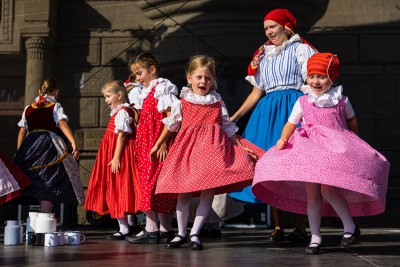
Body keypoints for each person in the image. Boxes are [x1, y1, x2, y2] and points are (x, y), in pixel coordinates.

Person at [252, 52, 390, 254]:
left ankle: (350, 227)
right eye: (312, 76)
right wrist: (283, 138)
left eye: (322, 76)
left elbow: (352, 121)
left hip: (333, 150)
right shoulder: (303, 101)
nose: (316, 81)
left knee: (328, 191)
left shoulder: (340, 100)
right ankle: (315, 237)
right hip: (310, 151)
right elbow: (290, 124)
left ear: (332, 78)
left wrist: (354, 142)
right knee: (313, 196)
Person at [154, 55, 264, 250]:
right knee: (183, 194)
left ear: (213, 80)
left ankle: (195, 233)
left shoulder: (217, 102)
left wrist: (241, 145)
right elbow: (172, 125)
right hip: (187, 152)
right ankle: (181, 232)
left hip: (212, 152)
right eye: (199, 77)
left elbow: (227, 127)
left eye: (207, 78)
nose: (203, 81)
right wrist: (159, 144)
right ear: (189, 78)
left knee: (207, 195)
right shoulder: (183, 101)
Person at [228, 8, 316, 242]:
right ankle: (278, 226)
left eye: (272, 26)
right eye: (266, 28)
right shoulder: (263, 55)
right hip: (267, 112)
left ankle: (300, 225)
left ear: (286, 27)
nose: (268, 31)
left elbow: (311, 84)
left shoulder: (301, 49)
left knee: (297, 167)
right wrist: (234, 118)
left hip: (293, 108)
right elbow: (257, 92)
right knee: (269, 166)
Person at [126, 52, 178, 244]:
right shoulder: (148, 91)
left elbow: (171, 118)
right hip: (147, 142)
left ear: (152, 70)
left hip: (155, 143)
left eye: (140, 73)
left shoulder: (162, 88)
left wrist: (162, 142)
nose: (138, 78)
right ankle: (165, 228)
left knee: (152, 183)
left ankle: (152, 228)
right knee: (153, 184)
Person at [14, 78, 84, 212]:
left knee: (37, 179)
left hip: (31, 144)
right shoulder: (55, 106)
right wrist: (74, 143)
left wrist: (20, 152)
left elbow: (22, 131)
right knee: (50, 179)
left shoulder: (29, 108)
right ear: (56, 91)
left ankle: (39, 218)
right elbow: (62, 124)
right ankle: (45, 215)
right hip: (48, 144)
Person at [84, 80, 141, 240]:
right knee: (113, 187)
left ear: (120, 95)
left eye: (108, 96)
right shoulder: (119, 111)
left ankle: (124, 228)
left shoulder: (123, 112)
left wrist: (116, 157)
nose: (106, 100)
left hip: (118, 154)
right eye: (105, 97)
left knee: (116, 187)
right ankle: (123, 226)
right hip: (111, 152)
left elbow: (122, 135)